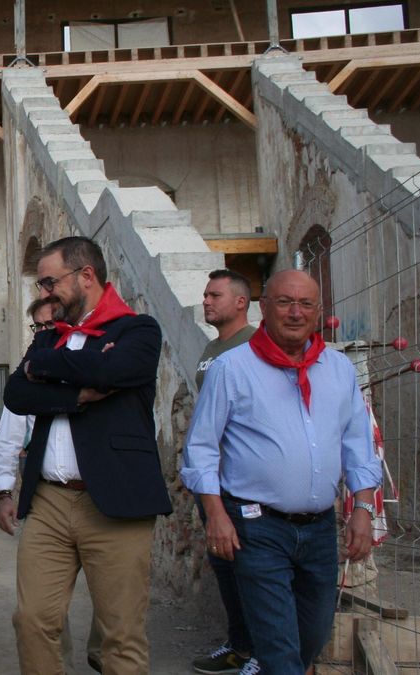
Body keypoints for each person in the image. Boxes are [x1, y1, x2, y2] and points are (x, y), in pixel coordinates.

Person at [182, 270, 382, 675]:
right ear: (264, 307)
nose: (295, 313)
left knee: (311, 636)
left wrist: (363, 508)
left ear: (318, 311)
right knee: (278, 650)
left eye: (305, 304)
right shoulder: (232, 368)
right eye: (285, 302)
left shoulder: (339, 369)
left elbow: (358, 444)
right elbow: (200, 447)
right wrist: (216, 515)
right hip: (256, 528)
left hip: (321, 531)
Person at [1, 236, 171, 675]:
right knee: (33, 620)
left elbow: (116, 371)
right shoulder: (48, 339)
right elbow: (17, 393)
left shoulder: (138, 329)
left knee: (120, 635)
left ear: (86, 276)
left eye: (48, 282)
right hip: (49, 502)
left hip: (115, 501)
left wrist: (49, 373)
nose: (43, 293)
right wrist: (76, 393)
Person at [0, 298, 103, 674]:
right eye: (38, 328)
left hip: (106, 497)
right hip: (50, 496)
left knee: (113, 605)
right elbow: (10, 430)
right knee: (39, 609)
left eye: (51, 325)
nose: (44, 333)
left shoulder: (103, 362)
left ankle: (102, 649)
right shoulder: (29, 375)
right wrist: (4, 491)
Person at [190, 269, 258, 675]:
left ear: (241, 302)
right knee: (225, 566)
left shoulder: (255, 345)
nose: (206, 301)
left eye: (215, 295)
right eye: (204, 295)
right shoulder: (212, 348)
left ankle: (263, 653)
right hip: (212, 479)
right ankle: (239, 645)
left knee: (254, 569)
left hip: (245, 480)